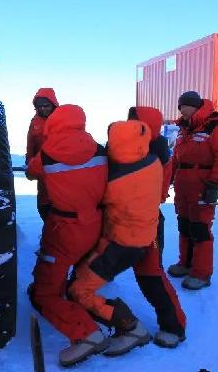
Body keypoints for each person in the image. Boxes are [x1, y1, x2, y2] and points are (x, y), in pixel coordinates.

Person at [68, 119, 162, 356]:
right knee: (81, 273)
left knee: (80, 290)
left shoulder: (114, 181)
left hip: (121, 245)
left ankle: (130, 327)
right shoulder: (153, 162)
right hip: (139, 238)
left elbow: (92, 199)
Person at [26, 104, 109, 367]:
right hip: (94, 223)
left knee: (44, 292)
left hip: (64, 228)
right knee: (77, 278)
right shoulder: (98, 148)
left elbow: (31, 172)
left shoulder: (49, 151)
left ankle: (86, 334)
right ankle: (119, 321)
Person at [127, 106, 186, 347]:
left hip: (146, 220)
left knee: (149, 273)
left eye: (134, 122)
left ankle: (175, 325)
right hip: (120, 218)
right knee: (94, 265)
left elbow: (155, 192)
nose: (129, 125)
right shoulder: (126, 147)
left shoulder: (156, 152)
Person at [167, 91, 218, 290]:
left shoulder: (215, 126)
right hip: (183, 185)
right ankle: (186, 264)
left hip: (202, 184)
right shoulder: (183, 129)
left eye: (185, 109)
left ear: (195, 106)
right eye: (181, 110)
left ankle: (202, 273)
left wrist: (214, 185)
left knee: (200, 229)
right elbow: (175, 160)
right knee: (184, 225)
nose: (182, 113)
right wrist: (166, 182)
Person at [25, 88, 59, 220]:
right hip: (41, 166)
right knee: (44, 202)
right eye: (40, 106)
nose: (44, 109)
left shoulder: (61, 120)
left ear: (53, 104)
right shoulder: (35, 122)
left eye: (47, 106)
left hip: (59, 166)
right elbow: (30, 143)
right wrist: (29, 162)